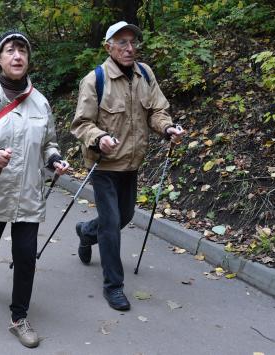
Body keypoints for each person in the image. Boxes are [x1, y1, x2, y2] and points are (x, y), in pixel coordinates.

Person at [0, 29, 69, 348]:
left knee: (25, 255)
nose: (17, 55)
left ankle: (19, 317)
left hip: (29, 193)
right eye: (10, 50)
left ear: (28, 59)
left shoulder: (41, 102)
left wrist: (55, 160)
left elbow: (48, 143)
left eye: (22, 50)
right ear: (0, 58)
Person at [70, 21, 185, 311]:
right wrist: (99, 138)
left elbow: (158, 110)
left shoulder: (145, 74)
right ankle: (114, 287)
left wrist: (168, 128)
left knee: (124, 217)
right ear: (108, 46)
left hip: (132, 163)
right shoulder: (94, 80)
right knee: (111, 225)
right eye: (122, 42)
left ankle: (85, 231)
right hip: (106, 164)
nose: (129, 48)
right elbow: (82, 124)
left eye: (133, 42)